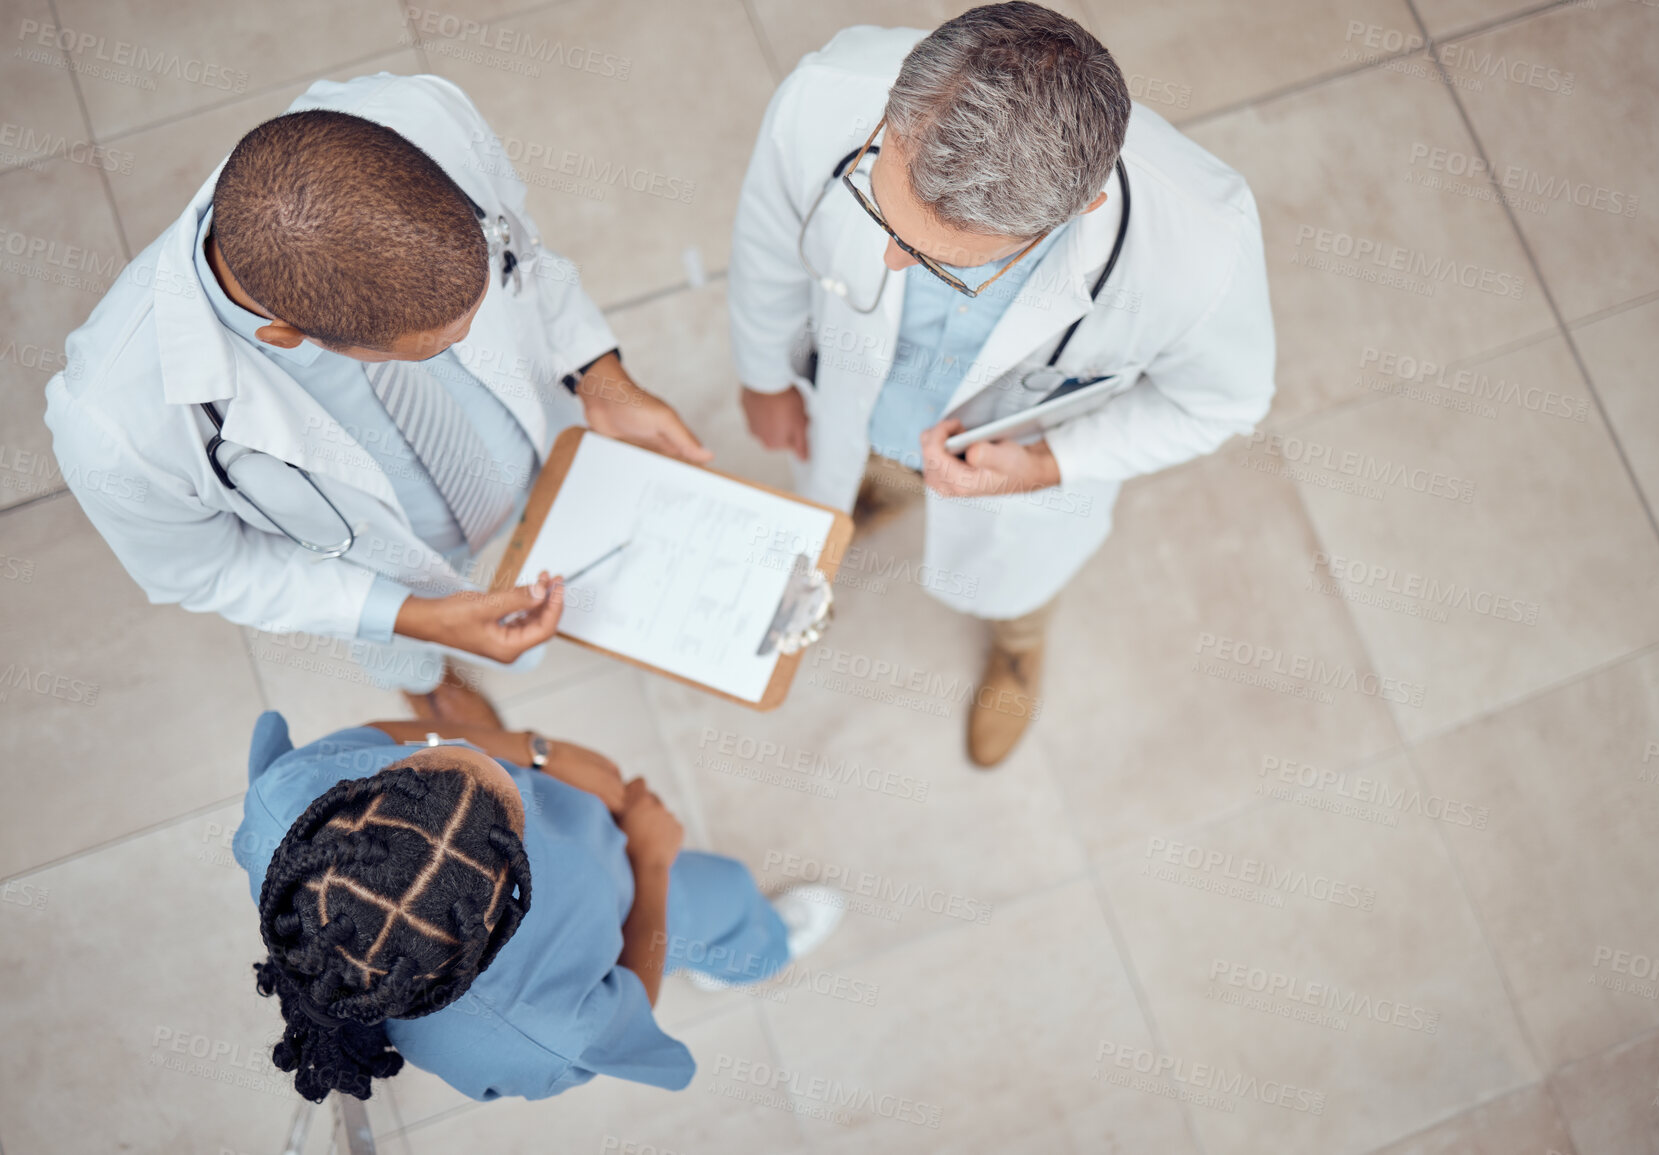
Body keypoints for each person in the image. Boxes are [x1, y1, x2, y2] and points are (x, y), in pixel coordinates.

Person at [44, 72, 710, 726]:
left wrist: (600, 375)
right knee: (405, 653)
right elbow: (207, 569)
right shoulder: (112, 424)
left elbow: (528, 260)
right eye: (427, 349)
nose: (466, 343)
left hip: (538, 452)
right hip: (396, 564)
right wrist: (418, 618)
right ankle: (426, 686)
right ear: (289, 334)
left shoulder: (424, 114)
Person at [729, 3, 1277, 766]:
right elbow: (767, 236)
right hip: (862, 398)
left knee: (1015, 580)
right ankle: (878, 490)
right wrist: (763, 373)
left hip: (1010, 466)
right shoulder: (826, 90)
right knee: (860, 470)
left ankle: (1016, 645)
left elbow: (1221, 403)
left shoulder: (1200, 250)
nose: (889, 264)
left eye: (947, 261)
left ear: (1077, 212)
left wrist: (1050, 463)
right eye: (877, 208)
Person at [233, 709, 842, 1102]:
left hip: (599, 851)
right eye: (510, 823)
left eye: (442, 764)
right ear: (498, 930)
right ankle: (753, 950)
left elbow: (390, 737)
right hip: (632, 901)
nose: (496, 765)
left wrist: (536, 749)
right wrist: (653, 865)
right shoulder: (528, 1031)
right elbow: (629, 996)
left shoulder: (287, 800)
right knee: (721, 899)